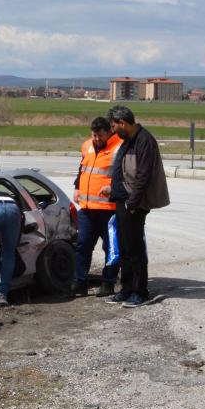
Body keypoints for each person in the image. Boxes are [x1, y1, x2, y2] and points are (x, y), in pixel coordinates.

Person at [107, 106, 170, 308]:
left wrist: (131, 204)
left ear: (123, 123)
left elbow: (143, 176)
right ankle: (126, 289)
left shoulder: (144, 141)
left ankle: (140, 292)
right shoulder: (127, 141)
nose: (113, 130)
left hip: (133, 204)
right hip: (123, 202)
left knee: (134, 249)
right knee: (124, 247)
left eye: (114, 126)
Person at [73, 116, 124, 297]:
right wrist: (77, 187)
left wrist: (113, 188)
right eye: (94, 135)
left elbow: (125, 175)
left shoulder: (119, 147)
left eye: (100, 135)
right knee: (82, 245)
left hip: (109, 209)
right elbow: (82, 169)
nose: (96, 139)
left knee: (110, 248)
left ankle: (108, 282)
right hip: (87, 208)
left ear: (109, 132)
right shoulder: (87, 146)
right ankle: (80, 282)